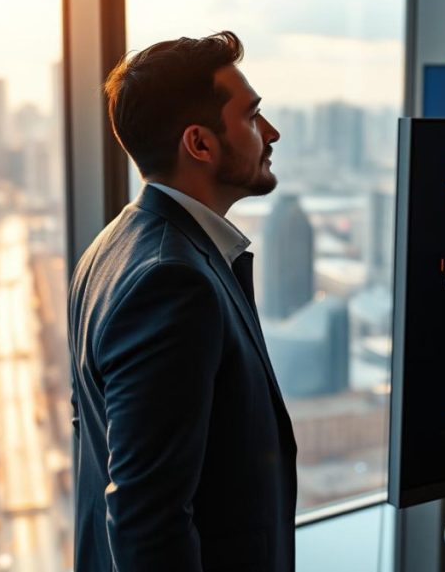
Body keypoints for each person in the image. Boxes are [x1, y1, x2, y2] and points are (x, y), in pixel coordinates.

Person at [68, 32, 297, 572]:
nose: (272, 133)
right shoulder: (172, 282)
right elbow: (149, 521)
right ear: (200, 143)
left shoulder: (111, 245)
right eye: (252, 117)